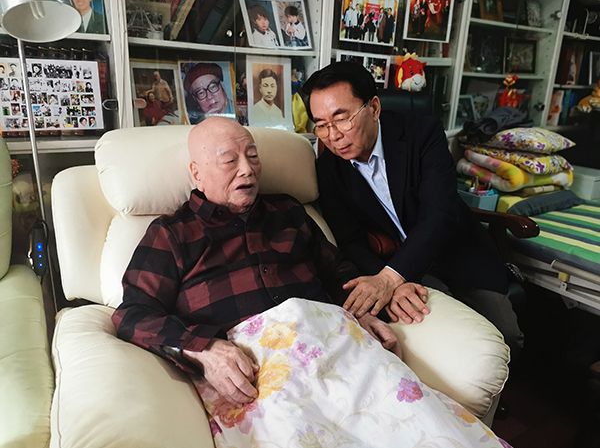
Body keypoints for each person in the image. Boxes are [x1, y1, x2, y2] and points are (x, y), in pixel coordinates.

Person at [112, 116, 428, 407]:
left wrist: (362, 312)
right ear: (197, 174)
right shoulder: (172, 234)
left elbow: (337, 272)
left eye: (252, 156)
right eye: (230, 161)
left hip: (335, 349)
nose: (247, 170)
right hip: (259, 378)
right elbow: (133, 315)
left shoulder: (288, 211)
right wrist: (204, 349)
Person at [303, 62, 523, 357]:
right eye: (321, 125)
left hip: (457, 252)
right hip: (397, 263)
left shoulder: (422, 134)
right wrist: (388, 282)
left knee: (506, 336)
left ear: (374, 108)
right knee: (449, 343)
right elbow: (349, 240)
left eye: (342, 119)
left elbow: (439, 214)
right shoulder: (329, 167)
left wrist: (391, 277)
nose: (333, 136)